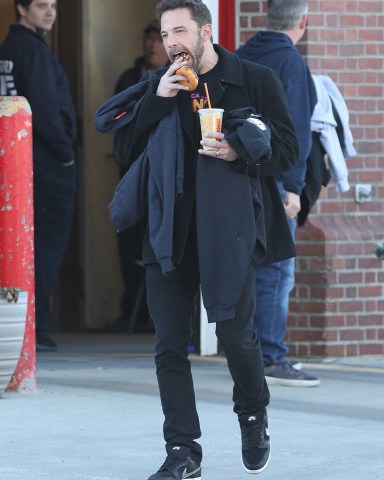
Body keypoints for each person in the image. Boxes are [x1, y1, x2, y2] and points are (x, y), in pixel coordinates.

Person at [95, 0, 299, 478]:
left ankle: (252, 414)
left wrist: (237, 150)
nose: (171, 43)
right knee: (169, 342)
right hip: (169, 230)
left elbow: (288, 149)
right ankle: (182, 450)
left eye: (180, 32)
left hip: (228, 229)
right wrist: (156, 100)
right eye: (166, 35)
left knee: (235, 335)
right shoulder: (156, 84)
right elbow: (123, 149)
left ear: (206, 32)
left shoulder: (253, 79)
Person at [236, 0, 320, 387]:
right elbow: (295, 132)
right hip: (274, 180)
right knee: (277, 269)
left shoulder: (239, 56)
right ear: (302, 21)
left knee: (249, 269)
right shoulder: (291, 64)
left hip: (237, 177)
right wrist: (293, 188)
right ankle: (270, 357)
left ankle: (248, 353)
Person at [0, 0, 77, 352]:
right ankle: (36, 328)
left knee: (16, 247)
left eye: (54, 6)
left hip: (14, 163)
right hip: (45, 164)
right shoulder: (33, 52)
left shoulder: (8, 51)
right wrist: (65, 157)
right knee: (43, 248)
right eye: (42, 6)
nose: (50, 12)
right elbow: (46, 113)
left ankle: (19, 329)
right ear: (21, 9)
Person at [103, 20, 169, 334]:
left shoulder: (178, 80)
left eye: (160, 39)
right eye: (150, 39)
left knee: (160, 246)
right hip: (131, 172)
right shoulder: (130, 79)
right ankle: (131, 312)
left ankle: (160, 317)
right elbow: (117, 124)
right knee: (129, 246)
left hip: (164, 176)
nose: (154, 45)